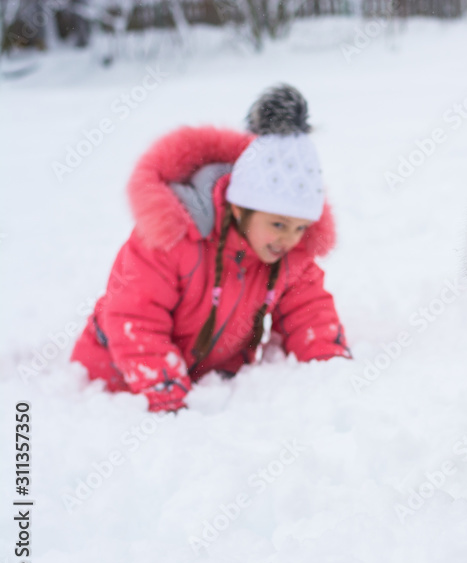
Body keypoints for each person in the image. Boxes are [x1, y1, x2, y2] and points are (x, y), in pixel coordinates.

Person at [71, 85, 351, 412]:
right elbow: (135, 316)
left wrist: (330, 369)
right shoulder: (173, 238)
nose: (289, 239)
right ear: (238, 208)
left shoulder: (288, 254)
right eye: (278, 224)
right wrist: (165, 391)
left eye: (301, 227)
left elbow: (309, 311)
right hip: (116, 386)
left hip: (204, 385)